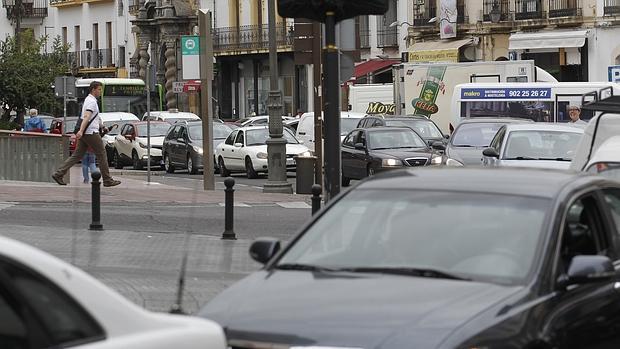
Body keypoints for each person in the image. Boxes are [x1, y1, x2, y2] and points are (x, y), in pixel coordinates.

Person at [52, 81, 121, 187]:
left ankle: (59, 173)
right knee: (102, 154)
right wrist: (81, 130)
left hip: (86, 132)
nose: (100, 92)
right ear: (93, 89)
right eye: (99, 89)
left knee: (77, 155)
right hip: (91, 132)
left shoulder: (89, 100)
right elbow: (87, 117)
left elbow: (94, 117)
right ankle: (107, 180)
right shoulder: (91, 102)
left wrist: (102, 126)